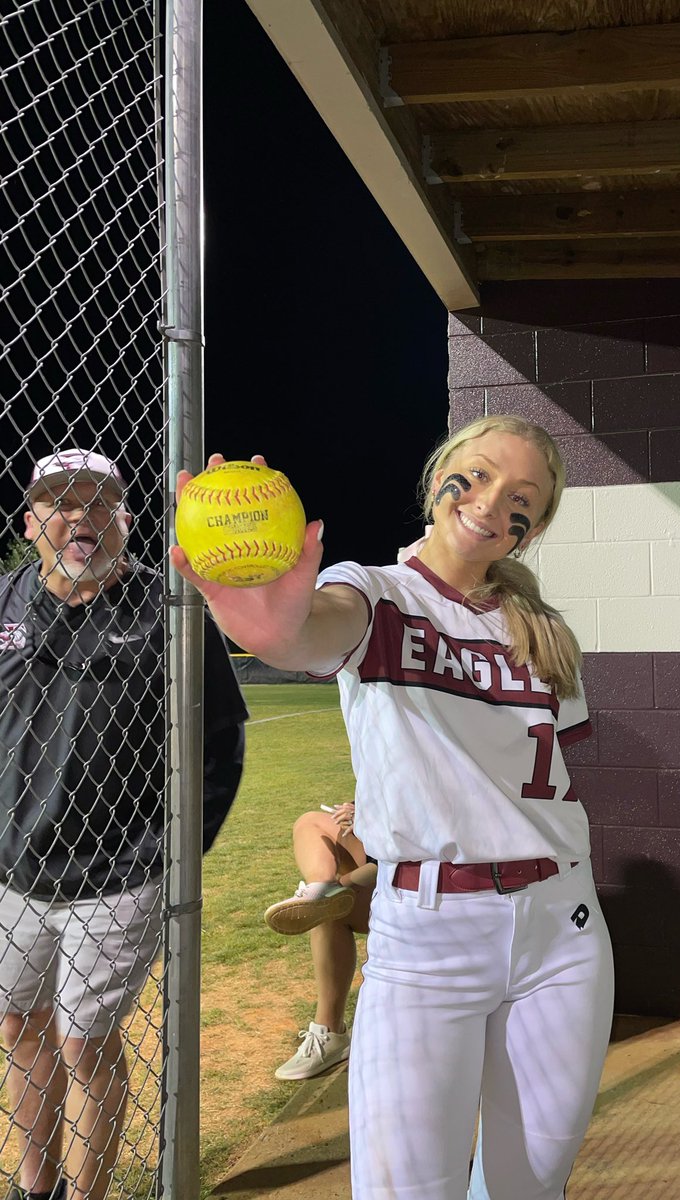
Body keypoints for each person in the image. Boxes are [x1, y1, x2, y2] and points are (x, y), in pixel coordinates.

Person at [173, 416, 615, 1200]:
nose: (488, 502)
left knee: (531, 1185)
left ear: (533, 527)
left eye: (521, 497)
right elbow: (311, 632)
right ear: (438, 475)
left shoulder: (546, 633)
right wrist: (272, 622)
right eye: (474, 475)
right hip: (429, 937)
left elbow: (525, 779)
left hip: (564, 930)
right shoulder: (375, 592)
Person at [0, 449, 247, 1200]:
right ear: (31, 521)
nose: (81, 515)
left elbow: (221, 743)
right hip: (15, 871)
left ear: (127, 520)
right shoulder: (6, 600)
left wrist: (174, 855)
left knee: (85, 1042)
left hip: (119, 874)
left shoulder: (167, 610)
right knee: (17, 1030)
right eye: (60, 501)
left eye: (100, 501)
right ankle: (35, 1186)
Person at [264, 801, 376, 1081]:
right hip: (393, 867)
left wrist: (345, 882)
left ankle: (324, 893)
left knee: (334, 902)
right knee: (310, 821)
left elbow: (402, 857)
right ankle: (318, 890)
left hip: (429, 887)